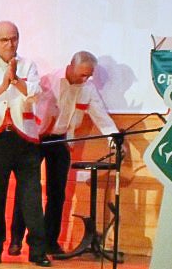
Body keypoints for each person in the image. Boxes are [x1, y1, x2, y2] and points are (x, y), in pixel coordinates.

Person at [11, 50, 117, 256]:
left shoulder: (88, 89)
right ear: (71, 66)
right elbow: (26, 103)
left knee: (57, 193)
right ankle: (16, 239)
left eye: (89, 75)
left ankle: (49, 241)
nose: (85, 79)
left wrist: (115, 139)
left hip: (60, 140)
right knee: (27, 189)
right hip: (37, 137)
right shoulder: (48, 80)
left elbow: (101, 117)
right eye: (82, 74)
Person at [0, 21, 52, 266]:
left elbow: (35, 93)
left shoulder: (28, 65)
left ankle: (38, 251)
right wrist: (2, 86)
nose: (10, 44)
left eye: (14, 38)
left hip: (24, 138)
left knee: (31, 197)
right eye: (5, 39)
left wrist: (16, 80)